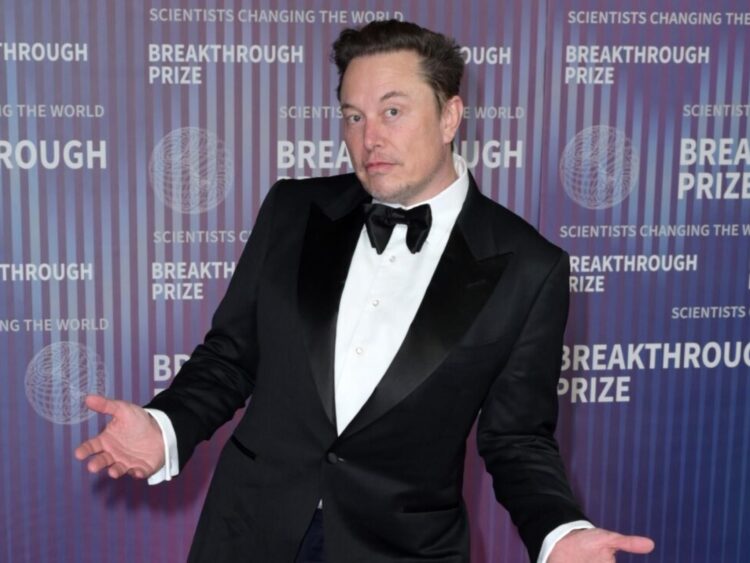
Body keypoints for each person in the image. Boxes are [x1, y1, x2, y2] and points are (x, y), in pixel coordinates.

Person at [75, 20, 654, 563]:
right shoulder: (293, 210)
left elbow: (517, 438)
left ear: (450, 116)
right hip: (249, 530)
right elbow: (230, 357)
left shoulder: (529, 268)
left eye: (392, 111)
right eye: (353, 116)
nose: (369, 137)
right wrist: (166, 425)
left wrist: (560, 531)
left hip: (402, 546)